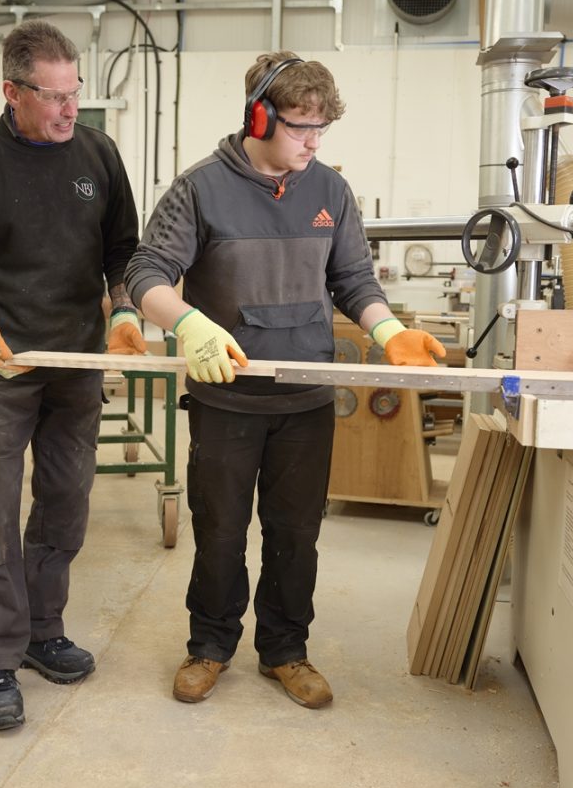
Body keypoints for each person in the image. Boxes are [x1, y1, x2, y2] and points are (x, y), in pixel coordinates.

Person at [125, 52, 444, 709]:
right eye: (301, 127)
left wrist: (389, 332)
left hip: (305, 400)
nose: (313, 142)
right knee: (218, 530)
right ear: (260, 116)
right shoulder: (201, 188)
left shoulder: (329, 191)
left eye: (322, 128)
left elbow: (353, 280)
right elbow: (146, 273)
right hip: (225, 397)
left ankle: (286, 652)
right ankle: (209, 648)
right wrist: (188, 324)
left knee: (296, 534)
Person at [0, 19, 146, 733]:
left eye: (76, 93)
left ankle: (44, 631)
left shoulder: (97, 154)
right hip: (2, 368)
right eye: (54, 96)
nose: (72, 109)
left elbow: (123, 251)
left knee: (67, 504)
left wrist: (124, 312)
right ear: (11, 91)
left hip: (78, 362)